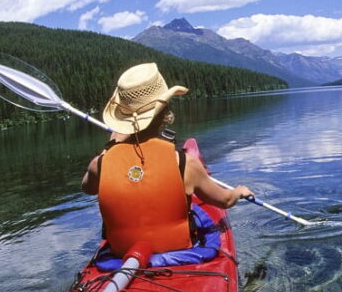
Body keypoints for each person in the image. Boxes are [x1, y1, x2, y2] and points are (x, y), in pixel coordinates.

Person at [81, 62, 254, 256]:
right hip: (178, 254)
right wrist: (239, 191)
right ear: (165, 111)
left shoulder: (100, 163)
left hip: (120, 256)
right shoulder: (186, 164)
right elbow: (224, 201)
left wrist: (110, 148)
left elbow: (88, 188)